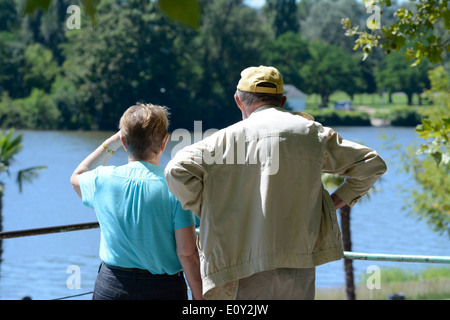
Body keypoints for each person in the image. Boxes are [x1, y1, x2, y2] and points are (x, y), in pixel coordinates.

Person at [164, 66, 387, 300]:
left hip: (242, 266)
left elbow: (176, 170)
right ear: (282, 101)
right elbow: (372, 164)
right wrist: (331, 204)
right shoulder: (311, 133)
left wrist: (207, 206)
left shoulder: (222, 140)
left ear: (238, 101)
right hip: (298, 262)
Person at [70, 103, 203, 300]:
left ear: (124, 142)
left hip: (112, 285)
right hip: (163, 289)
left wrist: (112, 142)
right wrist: (200, 297)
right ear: (165, 142)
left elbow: (77, 176)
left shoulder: (102, 179)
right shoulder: (176, 189)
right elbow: (187, 253)